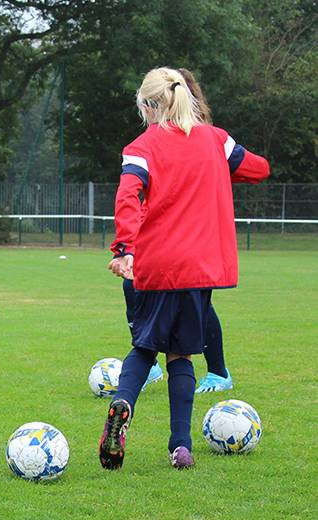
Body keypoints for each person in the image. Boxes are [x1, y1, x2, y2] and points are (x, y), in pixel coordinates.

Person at [100, 67, 269, 470]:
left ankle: (123, 402)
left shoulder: (141, 146)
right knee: (182, 355)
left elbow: (128, 194)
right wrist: (220, 166)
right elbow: (259, 169)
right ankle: (181, 446)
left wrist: (125, 247)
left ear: (146, 105)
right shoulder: (216, 140)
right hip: (200, 267)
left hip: (157, 264)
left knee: (144, 345)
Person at [122, 68, 233, 394]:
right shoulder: (152, 143)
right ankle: (152, 363)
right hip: (152, 233)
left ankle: (217, 371)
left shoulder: (200, 138)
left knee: (197, 302)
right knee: (134, 288)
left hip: (183, 240)